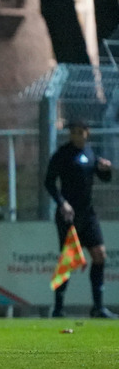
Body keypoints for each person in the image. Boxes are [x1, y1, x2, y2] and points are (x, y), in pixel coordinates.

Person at [45, 120, 116, 318]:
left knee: (100, 255)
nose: (77, 135)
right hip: (68, 216)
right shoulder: (62, 154)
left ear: (87, 133)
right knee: (69, 260)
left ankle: (98, 307)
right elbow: (49, 182)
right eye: (73, 132)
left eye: (80, 132)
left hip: (88, 214)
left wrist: (105, 169)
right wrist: (62, 203)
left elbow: (105, 178)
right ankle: (58, 308)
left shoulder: (90, 153)